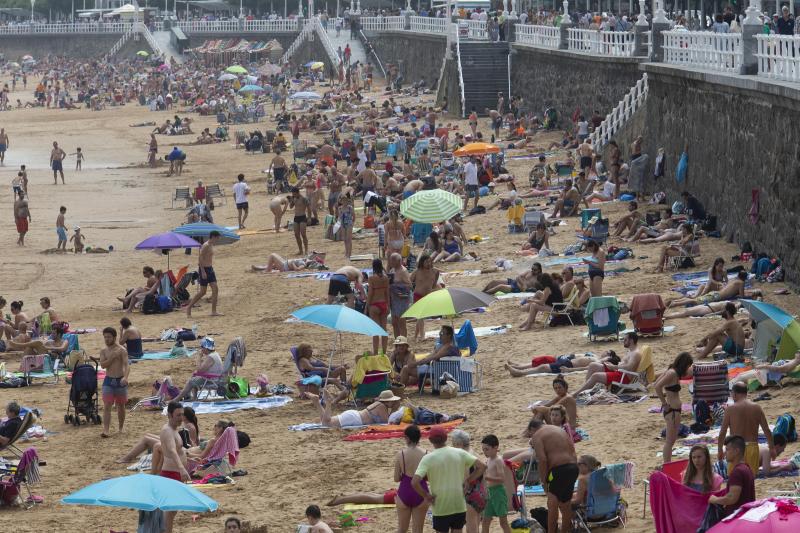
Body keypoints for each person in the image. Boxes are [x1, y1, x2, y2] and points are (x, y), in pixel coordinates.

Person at [412, 426, 487, 533]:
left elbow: (414, 482)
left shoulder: (428, 458)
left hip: (441, 506)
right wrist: (468, 480)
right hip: (458, 505)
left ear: (430, 440)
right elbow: (483, 466)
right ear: (446, 438)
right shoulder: (460, 452)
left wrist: (426, 495)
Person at [528, 419, 579, 533]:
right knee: (565, 505)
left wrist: (544, 481)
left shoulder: (537, 435)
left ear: (532, 429)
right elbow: (573, 451)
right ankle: (565, 530)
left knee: (552, 505)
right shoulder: (559, 430)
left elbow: (542, 460)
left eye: (530, 434)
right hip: (573, 468)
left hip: (558, 470)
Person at [717, 382, 774, 475]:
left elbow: (722, 432)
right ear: (746, 393)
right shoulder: (757, 407)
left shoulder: (730, 409)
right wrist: (772, 448)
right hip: (752, 447)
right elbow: (766, 430)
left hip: (736, 449)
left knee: (735, 476)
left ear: (734, 394)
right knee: (750, 477)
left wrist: (720, 450)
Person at [706, 436, 755, 526]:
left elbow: (732, 498)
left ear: (736, 451)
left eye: (728, 450)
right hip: (746, 516)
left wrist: (715, 499)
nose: (725, 453)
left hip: (737, 519)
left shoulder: (737, 472)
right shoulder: (746, 467)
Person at [572, 332, 642, 395]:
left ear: (631, 340)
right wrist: (613, 366)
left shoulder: (635, 353)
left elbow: (629, 367)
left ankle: (576, 394)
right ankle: (586, 389)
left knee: (595, 376)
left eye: (625, 339)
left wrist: (613, 367)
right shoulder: (630, 351)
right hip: (619, 372)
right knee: (593, 365)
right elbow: (625, 364)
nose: (623, 341)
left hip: (623, 377)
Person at [655, 352, 694, 463]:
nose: (688, 368)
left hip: (674, 410)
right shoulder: (672, 373)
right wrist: (664, 403)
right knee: (669, 442)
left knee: (671, 441)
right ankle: (667, 464)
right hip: (671, 410)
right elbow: (657, 386)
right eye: (688, 365)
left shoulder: (673, 371)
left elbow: (657, 383)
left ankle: (668, 463)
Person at [160, 401, 190, 532]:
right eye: (178, 415)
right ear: (169, 415)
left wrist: (189, 456)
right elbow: (172, 451)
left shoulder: (174, 430)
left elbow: (178, 449)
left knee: (173, 510)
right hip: (171, 473)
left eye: (182, 415)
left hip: (174, 473)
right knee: (170, 510)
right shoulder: (167, 430)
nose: (181, 418)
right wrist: (182, 468)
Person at [393, 425, 429, 533]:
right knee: (418, 530)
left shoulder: (401, 454)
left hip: (405, 491)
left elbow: (396, 478)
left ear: (407, 438)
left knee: (402, 529)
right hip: (421, 492)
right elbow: (429, 477)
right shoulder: (427, 454)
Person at [308, 389, 401, 428]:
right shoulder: (382, 406)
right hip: (355, 418)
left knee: (326, 420)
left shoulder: (378, 404)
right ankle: (328, 402)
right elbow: (388, 423)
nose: (393, 403)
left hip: (354, 415)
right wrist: (394, 409)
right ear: (388, 401)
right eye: (392, 401)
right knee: (326, 424)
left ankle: (316, 402)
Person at [98, 326, 130, 438]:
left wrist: (125, 377)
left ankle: (120, 428)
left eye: (109, 337)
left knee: (121, 405)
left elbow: (126, 365)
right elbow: (103, 365)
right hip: (108, 380)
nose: (106, 339)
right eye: (105, 337)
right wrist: (111, 358)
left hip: (120, 380)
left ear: (114, 337)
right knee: (107, 405)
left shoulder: (122, 350)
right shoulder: (103, 351)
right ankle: (106, 430)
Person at [185, 230, 222, 317]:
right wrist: (202, 271)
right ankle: (189, 307)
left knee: (215, 289)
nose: (218, 239)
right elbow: (200, 258)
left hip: (210, 269)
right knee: (203, 292)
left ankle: (213, 311)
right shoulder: (205, 245)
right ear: (213, 236)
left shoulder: (211, 245)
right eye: (217, 237)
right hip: (204, 269)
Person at [480, 435, 512, 533]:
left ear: (495, 447)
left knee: (503, 522)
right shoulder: (488, 460)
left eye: (487, 449)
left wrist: (486, 477)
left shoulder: (498, 460)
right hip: (489, 493)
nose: (485, 452)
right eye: (483, 449)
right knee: (485, 521)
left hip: (498, 492)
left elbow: (502, 479)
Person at [666, 271, 750, 307]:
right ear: (744, 278)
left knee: (695, 299)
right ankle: (675, 304)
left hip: (715, 293)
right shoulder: (741, 283)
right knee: (695, 301)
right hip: (716, 296)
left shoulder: (733, 280)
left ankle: (675, 302)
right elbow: (742, 296)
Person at [410, 254, 441, 342]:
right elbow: (409, 281)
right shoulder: (417, 271)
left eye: (429, 261)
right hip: (418, 295)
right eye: (426, 262)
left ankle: (415, 336)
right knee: (420, 316)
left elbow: (435, 282)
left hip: (427, 296)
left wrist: (433, 287)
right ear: (422, 262)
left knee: (421, 317)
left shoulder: (435, 271)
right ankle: (422, 336)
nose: (428, 263)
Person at [367, 259, 390, 354]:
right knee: (384, 329)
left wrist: (366, 306)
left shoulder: (372, 278)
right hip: (383, 303)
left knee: (375, 330)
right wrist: (388, 306)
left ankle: (375, 352)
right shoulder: (385, 278)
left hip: (374, 305)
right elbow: (387, 293)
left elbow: (370, 293)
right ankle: (384, 351)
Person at [389, 253, 412, 339]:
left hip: (401, 298)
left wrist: (397, 286)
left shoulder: (403, 271)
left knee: (401, 321)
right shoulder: (392, 271)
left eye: (392, 260)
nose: (391, 262)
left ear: (398, 261)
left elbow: (409, 285)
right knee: (394, 322)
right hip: (394, 298)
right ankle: (397, 340)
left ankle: (403, 340)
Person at [290, 187, 311, 256]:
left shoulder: (304, 198)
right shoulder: (294, 198)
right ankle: (300, 250)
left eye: (294, 193)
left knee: (303, 234)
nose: (293, 194)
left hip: (302, 217)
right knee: (296, 235)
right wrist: (291, 200)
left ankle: (306, 250)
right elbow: (291, 207)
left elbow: (308, 208)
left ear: (297, 192)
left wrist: (309, 218)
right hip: (296, 217)